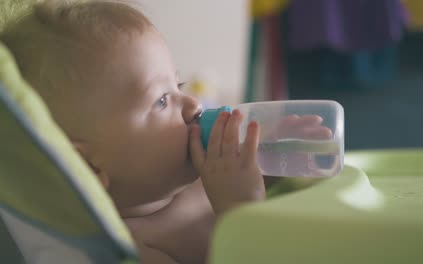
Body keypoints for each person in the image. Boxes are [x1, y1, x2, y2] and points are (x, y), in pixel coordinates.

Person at [1, 1, 331, 263]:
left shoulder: (206, 177)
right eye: (161, 100)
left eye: (180, 85)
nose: (191, 104)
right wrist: (242, 212)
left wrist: (276, 150)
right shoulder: (134, 245)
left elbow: (274, 182)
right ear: (89, 167)